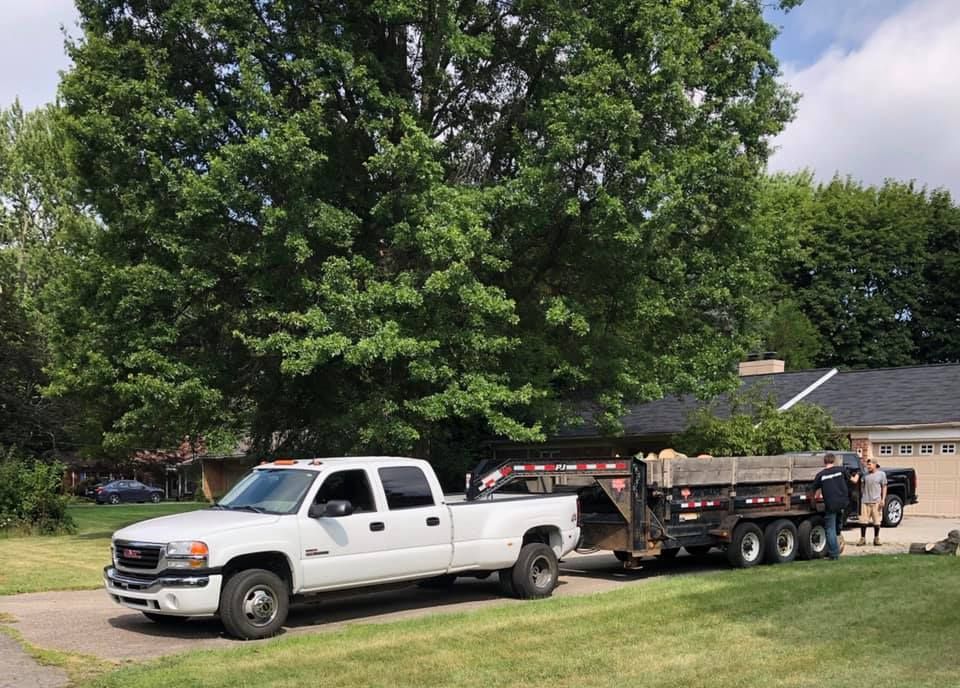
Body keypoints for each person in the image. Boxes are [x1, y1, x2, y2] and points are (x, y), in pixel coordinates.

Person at [812, 453, 849, 560]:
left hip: (831, 505)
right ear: (834, 461)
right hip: (843, 503)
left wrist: (813, 501)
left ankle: (834, 554)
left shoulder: (821, 475)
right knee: (837, 526)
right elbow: (852, 480)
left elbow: (814, 488)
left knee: (830, 529)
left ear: (824, 461)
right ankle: (839, 540)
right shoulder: (841, 470)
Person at [857, 459, 887, 546]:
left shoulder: (881, 474)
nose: (868, 466)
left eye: (869, 465)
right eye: (867, 465)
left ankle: (876, 538)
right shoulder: (865, 475)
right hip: (865, 501)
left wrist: (883, 499)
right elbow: (862, 486)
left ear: (875, 464)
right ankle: (863, 538)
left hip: (876, 501)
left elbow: (884, 487)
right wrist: (863, 495)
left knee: (877, 522)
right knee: (863, 521)